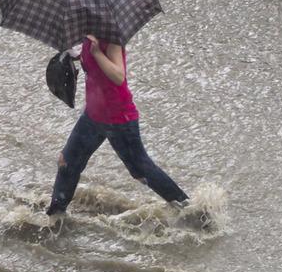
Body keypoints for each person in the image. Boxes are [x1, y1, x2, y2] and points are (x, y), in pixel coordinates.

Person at [46, 34, 190, 216]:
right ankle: (55, 216)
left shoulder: (111, 37)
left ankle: (188, 210)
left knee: (140, 171)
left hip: (119, 119)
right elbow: (90, 62)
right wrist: (74, 54)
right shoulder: (88, 36)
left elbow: (118, 76)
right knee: (67, 162)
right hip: (93, 115)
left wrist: (97, 53)